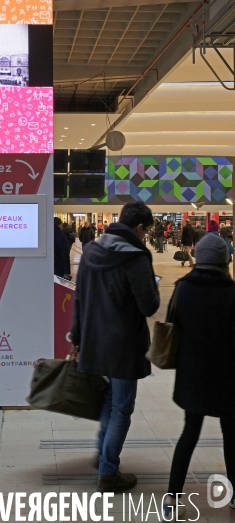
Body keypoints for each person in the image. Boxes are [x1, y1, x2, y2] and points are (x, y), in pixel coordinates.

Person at [71, 201, 160, 493]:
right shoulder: (136, 258)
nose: (146, 236)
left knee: (111, 399)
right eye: (146, 231)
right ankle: (109, 472)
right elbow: (149, 305)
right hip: (124, 345)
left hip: (95, 341)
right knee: (122, 407)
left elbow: (79, 298)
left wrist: (78, 337)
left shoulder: (91, 251)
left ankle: (103, 457)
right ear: (138, 228)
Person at [163, 233, 235, 521]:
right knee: (231, 435)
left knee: (189, 434)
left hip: (192, 373)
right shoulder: (232, 292)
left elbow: (170, 326)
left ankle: (173, 496)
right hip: (228, 376)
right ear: (224, 261)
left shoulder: (183, 289)